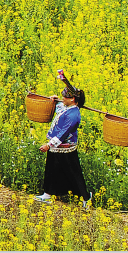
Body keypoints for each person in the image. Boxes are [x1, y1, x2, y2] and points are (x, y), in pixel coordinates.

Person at [36, 70, 92, 206]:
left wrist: (49, 145)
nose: (63, 98)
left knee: (73, 173)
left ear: (72, 99)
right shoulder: (66, 107)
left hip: (65, 148)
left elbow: (63, 133)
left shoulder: (74, 116)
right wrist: (55, 101)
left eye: (64, 97)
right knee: (51, 170)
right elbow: (59, 107)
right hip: (56, 147)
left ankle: (85, 198)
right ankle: (48, 193)